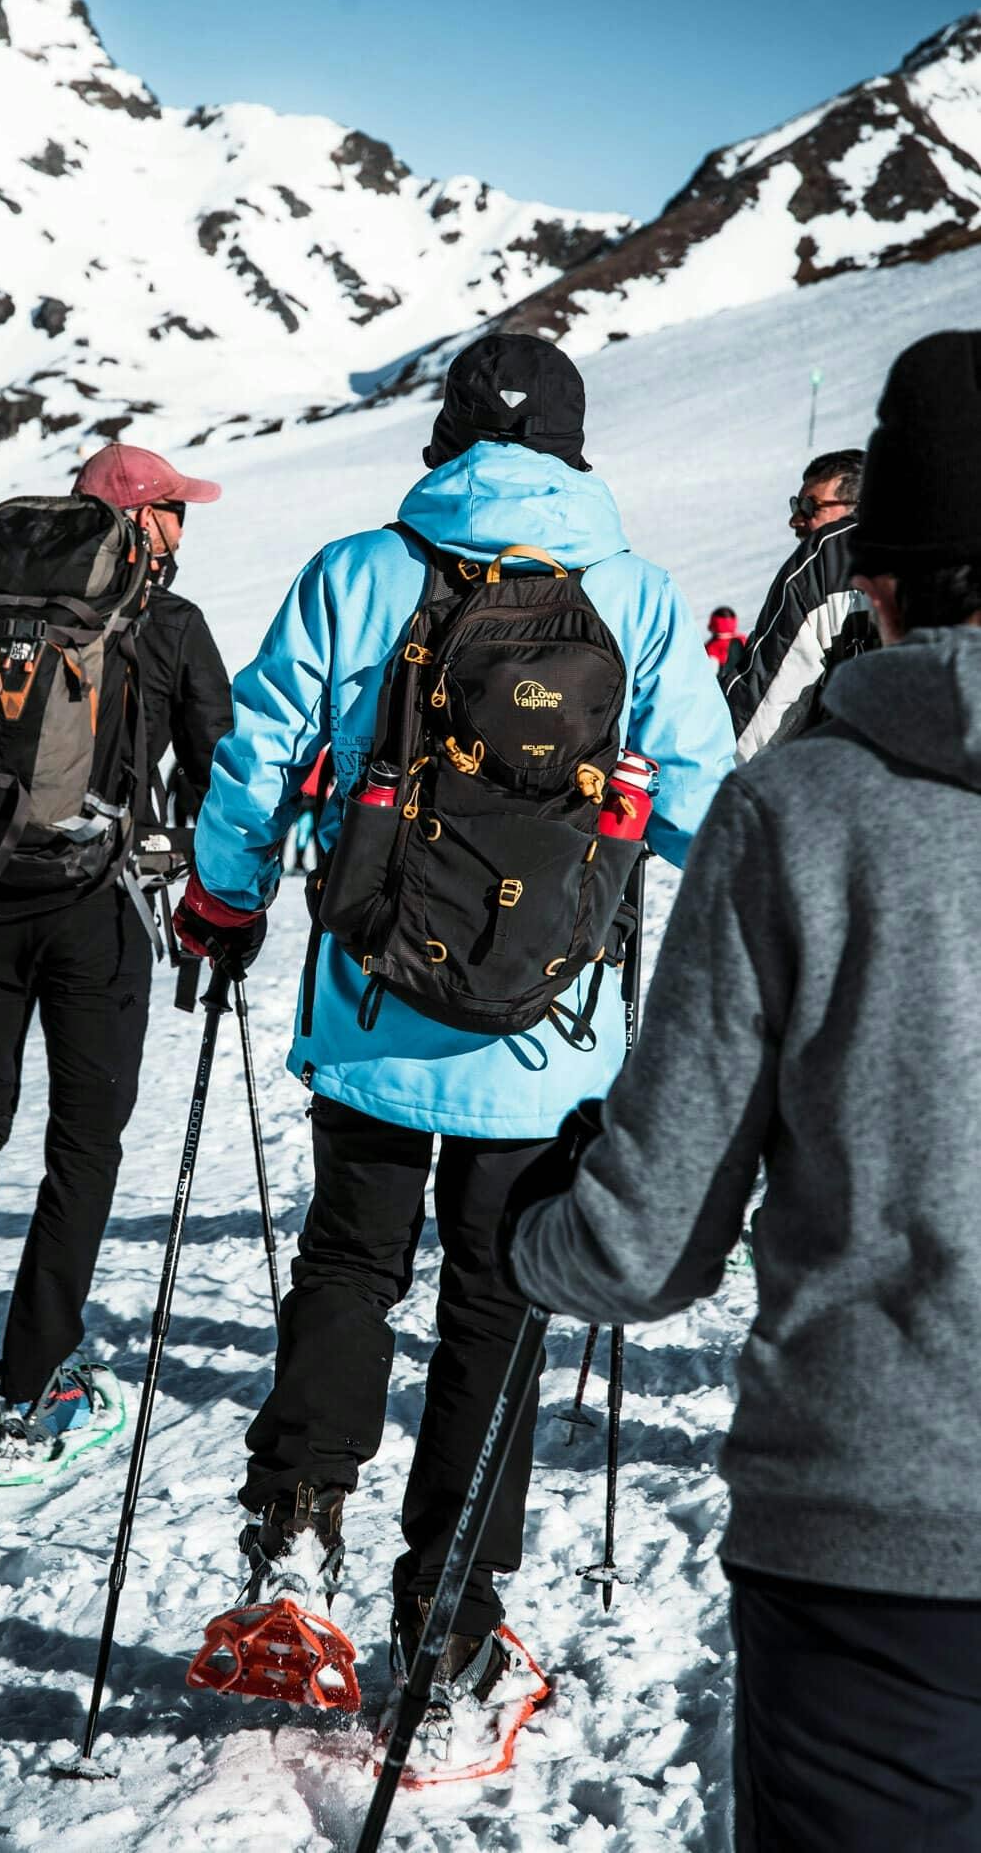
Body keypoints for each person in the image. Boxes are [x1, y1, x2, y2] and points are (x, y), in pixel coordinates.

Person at [175, 333, 733, 1750]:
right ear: (575, 447)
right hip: (547, 1041)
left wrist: (223, 897)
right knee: (497, 1306)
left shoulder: (362, 571)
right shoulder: (640, 597)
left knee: (353, 1262)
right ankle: (452, 1630)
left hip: (374, 1005)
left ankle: (296, 1543)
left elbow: (252, 756)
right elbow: (702, 813)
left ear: (447, 439)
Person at [502, 332, 981, 1851]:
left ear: (879, 578)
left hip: (876, 1546)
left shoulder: (798, 811)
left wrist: (532, 1225)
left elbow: (647, 1243)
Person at [0, 441, 232, 1478]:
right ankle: (33, 1389)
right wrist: (217, 899)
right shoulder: (167, 625)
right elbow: (224, 772)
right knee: (82, 1146)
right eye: (176, 514)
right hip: (99, 910)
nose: (184, 532)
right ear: (141, 520)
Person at [725, 447, 875, 757]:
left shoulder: (826, 559)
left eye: (810, 506)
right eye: (796, 504)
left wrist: (719, 784)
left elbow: (763, 713)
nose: (796, 519)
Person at [705, 604, 746, 687]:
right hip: (745, 686)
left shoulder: (712, 648)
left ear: (713, 624)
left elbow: (708, 676)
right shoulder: (743, 640)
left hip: (724, 690)